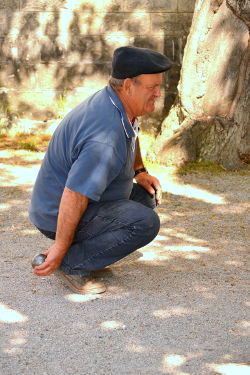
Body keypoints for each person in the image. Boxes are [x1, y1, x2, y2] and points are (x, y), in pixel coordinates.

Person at [29, 46, 172, 294]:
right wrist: (60, 247)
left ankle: (78, 252)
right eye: (152, 88)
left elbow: (132, 133)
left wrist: (139, 171)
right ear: (128, 85)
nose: (158, 93)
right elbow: (75, 195)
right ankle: (72, 263)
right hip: (56, 212)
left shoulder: (118, 103)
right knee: (145, 222)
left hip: (80, 201)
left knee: (145, 199)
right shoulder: (104, 137)